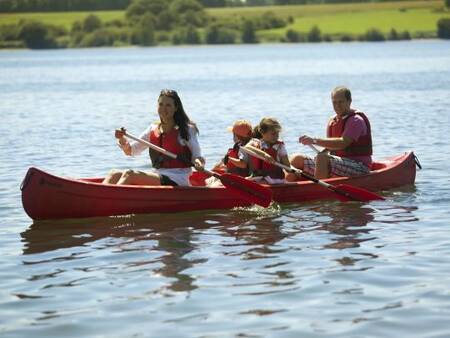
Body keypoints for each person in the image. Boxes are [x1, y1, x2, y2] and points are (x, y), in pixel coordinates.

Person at [102, 89, 205, 186]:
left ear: (176, 108)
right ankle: (100, 200)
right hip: (158, 175)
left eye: (168, 105)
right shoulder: (153, 128)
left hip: (178, 179)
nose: (163, 109)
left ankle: (113, 201)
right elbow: (130, 151)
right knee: (113, 173)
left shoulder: (187, 129)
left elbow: (197, 156)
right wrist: (121, 138)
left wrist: (199, 163)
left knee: (130, 174)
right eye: (161, 104)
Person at [289, 86, 373, 180]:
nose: (337, 105)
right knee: (296, 158)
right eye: (334, 102)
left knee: (322, 158)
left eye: (341, 102)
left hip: (359, 167)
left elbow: (343, 143)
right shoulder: (333, 121)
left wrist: (314, 140)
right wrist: (319, 154)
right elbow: (330, 148)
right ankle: (284, 189)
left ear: (349, 101)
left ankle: (318, 191)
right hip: (339, 164)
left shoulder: (356, 120)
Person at [245, 117, 290, 184]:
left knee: (257, 182)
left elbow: (287, 167)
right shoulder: (256, 143)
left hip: (274, 179)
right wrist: (264, 155)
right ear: (263, 133)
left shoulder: (280, 147)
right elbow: (246, 147)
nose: (276, 136)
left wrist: (292, 170)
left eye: (277, 133)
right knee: (250, 180)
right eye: (273, 134)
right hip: (259, 177)